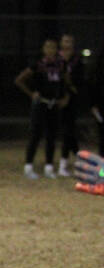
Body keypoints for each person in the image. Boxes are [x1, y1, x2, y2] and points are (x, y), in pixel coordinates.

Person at [15, 38, 69, 179]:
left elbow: (66, 82)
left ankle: (49, 167)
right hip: (41, 104)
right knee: (35, 135)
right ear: (44, 49)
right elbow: (19, 80)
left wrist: (65, 97)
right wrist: (31, 93)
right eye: (47, 47)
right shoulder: (38, 65)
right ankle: (28, 166)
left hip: (54, 104)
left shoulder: (61, 65)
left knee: (51, 136)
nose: (50, 50)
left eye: (53, 47)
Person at [57, 34, 84, 177]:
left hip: (71, 101)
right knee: (67, 133)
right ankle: (80, 160)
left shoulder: (77, 61)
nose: (67, 44)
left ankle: (64, 164)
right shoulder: (56, 59)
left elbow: (79, 82)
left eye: (70, 41)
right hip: (55, 100)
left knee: (69, 132)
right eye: (65, 41)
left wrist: (70, 92)